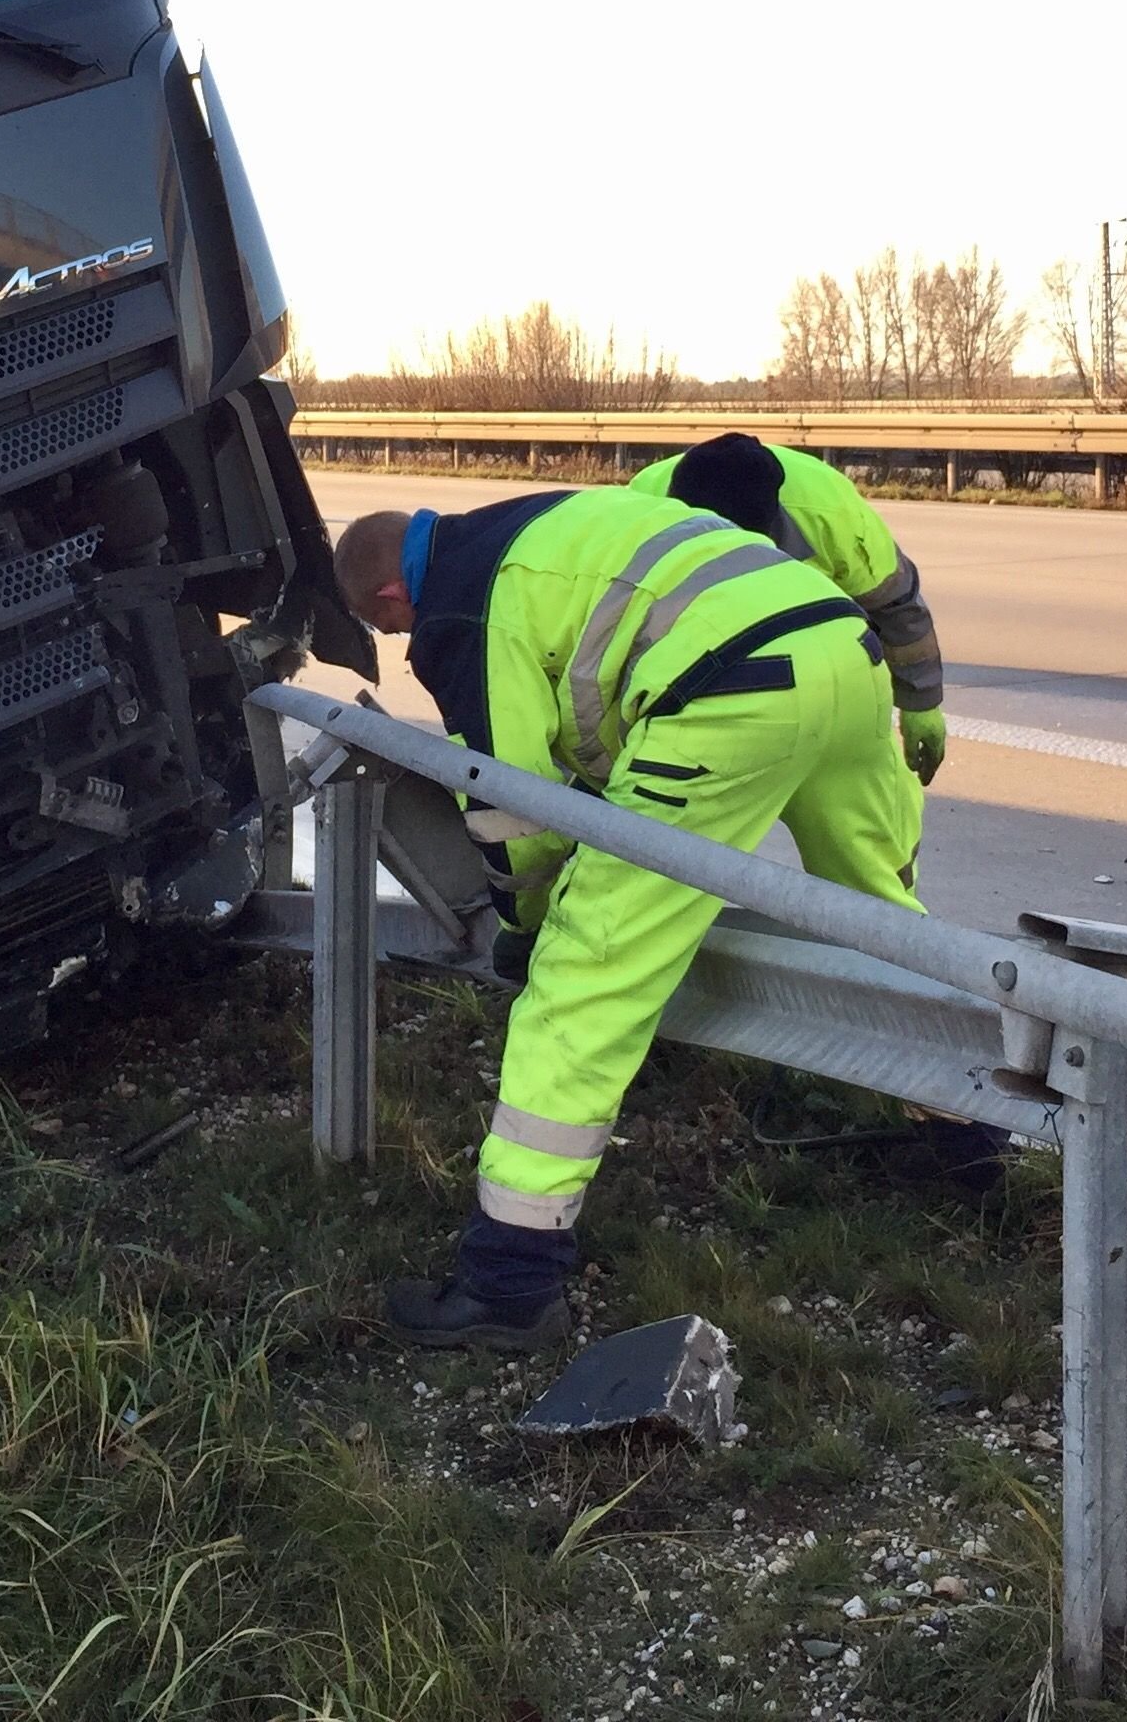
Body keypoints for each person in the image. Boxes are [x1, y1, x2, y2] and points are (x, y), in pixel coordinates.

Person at [335, 487, 924, 1349]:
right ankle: (964, 1145)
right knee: (883, 916)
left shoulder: (461, 609)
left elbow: (514, 805)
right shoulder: (532, 521)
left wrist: (528, 927)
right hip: (844, 650)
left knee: (585, 980)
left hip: (731, 694)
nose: (399, 641)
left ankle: (510, 1285)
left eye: (386, 630)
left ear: (390, 600)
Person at [630, 434, 948, 784]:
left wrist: (922, 702)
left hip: (818, 666)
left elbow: (897, 606)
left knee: (874, 818)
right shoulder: (642, 510)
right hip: (693, 662)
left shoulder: (833, 517)